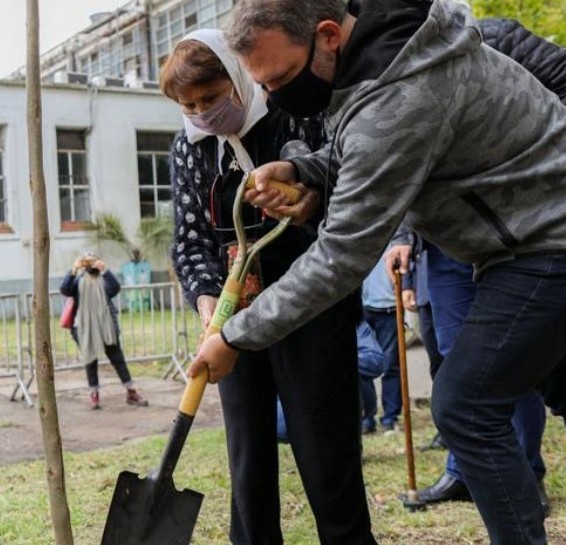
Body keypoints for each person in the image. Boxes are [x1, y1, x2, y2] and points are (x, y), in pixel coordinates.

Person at [191, 0, 566, 543]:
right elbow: (357, 150)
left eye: (284, 77)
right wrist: (302, 168)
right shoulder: (380, 61)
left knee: (465, 406)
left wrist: (237, 336)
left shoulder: (400, 93)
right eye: (264, 86)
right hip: (552, 231)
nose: (274, 98)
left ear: (328, 36)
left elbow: (341, 255)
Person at [381, 15, 566, 513]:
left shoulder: (490, 36)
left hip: (516, 238)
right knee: (452, 358)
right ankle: (464, 471)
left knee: (507, 361)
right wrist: (401, 233)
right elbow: (400, 162)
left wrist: (553, 174)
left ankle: (524, 475)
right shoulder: (385, 70)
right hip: (441, 243)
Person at [164, 29, 376, 544]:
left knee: (328, 461)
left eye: (211, 98)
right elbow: (190, 240)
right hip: (234, 321)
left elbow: (343, 191)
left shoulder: (294, 114)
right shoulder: (189, 149)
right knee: (248, 464)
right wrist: (210, 304)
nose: (201, 112)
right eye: (189, 105)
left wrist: (307, 198)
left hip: (310, 309)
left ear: (237, 79)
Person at [60, 253, 148, 410]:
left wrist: (105, 270)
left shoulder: (104, 279)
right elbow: (65, 290)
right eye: (88, 262)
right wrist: (73, 269)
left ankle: (131, 391)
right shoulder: (78, 281)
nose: (91, 265)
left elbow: (115, 289)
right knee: (90, 359)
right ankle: (94, 393)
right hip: (85, 327)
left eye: (93, 261)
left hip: (106, 327)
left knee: (117, 358)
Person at [357, 246, 405, 434]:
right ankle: (366, 420)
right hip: (362, 307)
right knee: (363, 363)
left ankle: (390, 418)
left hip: (390, 308)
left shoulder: (397, 237)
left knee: (390, 365)